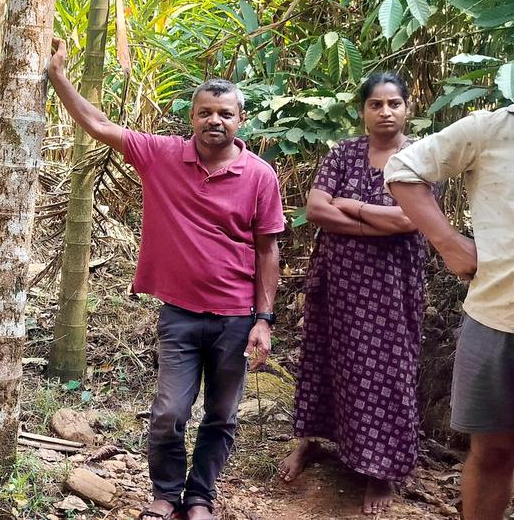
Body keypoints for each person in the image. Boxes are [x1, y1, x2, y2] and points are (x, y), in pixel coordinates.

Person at [46, 40, 284, 520]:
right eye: (205, 113)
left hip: (237, 318)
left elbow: (267, 251)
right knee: (169, 412)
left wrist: (264, 320)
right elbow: (99, 125)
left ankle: (200, 498)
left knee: (221, 416)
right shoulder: (161, 155)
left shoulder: (260, 176)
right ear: (192, 117)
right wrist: (57, 76)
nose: (214, 121)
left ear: (241, 120)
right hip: (179, 314)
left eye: (224, 113)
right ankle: (166, 494)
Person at [278, 73, 432, 514]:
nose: (385, 112)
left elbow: (409, 221)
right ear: (362, 110)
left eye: (394, 104)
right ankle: (308, 443)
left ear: (407, 108)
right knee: (326, 359)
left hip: (392, 286)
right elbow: (315, 209)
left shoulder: (422, 157)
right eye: (376, 104)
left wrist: (350, 206)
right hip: (338, 283)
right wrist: (373, 221)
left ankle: (381, 472)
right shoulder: (343, 153)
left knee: (389, 368)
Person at [385, 101, 514, 520]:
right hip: (496, 320)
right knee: (493, 451)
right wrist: (449, 243)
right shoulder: (492, 128)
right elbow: (403, 170)